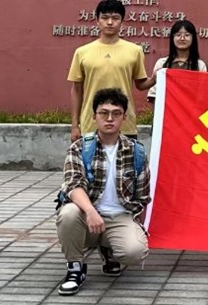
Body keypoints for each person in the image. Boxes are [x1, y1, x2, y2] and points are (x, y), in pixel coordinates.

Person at [55, 88, 151, 294]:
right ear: (94, 117)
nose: (109, 119)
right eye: (103, 113)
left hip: (119, 216)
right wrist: (90, 211)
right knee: (69, 213)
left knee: (135, 251)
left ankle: (109, 250)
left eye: (116, 113)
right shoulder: (80, 148)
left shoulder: (136, 152)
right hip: (87, 217)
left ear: (124, 118)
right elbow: (73, 185)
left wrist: (136, 227)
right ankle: (75, 268)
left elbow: (142, 197)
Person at [67, 0, 150, 141]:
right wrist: (75, 125)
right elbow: (76, 89)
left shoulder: (135, 51)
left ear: (122, 21)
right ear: (97, 21)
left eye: (115, 18)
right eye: (105, 18)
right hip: (91, 124)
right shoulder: (82, 52)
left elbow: (141, 84)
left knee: (126, 157)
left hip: (125, 124)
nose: (110, 22)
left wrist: (158, 77)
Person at [146, 20, 208, 107]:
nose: (182, 38)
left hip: (190, 111)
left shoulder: (200, 65)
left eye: (187, 35)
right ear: (172, 38)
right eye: (178, 35)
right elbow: (154, 94)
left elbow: (202, 94)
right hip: (167, 111)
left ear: (193, 38)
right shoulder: (162, 63)